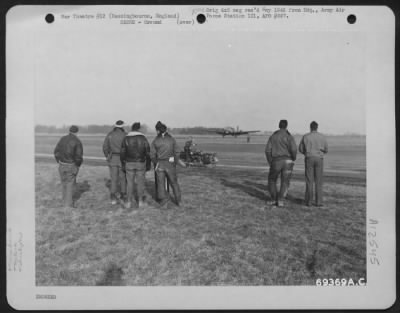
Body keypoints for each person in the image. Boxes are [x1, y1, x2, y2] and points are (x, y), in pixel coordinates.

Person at [150, 121, 184, 208]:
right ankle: (178, 201)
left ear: (158, 130)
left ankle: (163, 202)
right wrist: (174, 160)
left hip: (160, 164)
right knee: (174, 183)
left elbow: (152, 155)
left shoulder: (155, 141)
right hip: (170, 163)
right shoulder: (171, 139)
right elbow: (177, 151)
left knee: (160, 183)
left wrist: (156, 162)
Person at [265, 120, 297, 207]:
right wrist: (293, 158)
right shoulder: (289, 136)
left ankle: (273, 199)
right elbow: (294, 149)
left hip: (276, 160)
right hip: (288, 161)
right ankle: (281, 200)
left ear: (279, 125)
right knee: (285, 181)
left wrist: (270, 161)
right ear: (286, 126)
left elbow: (267, 150)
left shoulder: (273, 136)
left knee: (272, 180)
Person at [120, 122, 150, 209]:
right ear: (139, 129)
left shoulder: (126, 138)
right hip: (141, 163)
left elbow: (122, 152)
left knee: (129, 183)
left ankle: (128, 202)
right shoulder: (143, 138)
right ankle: (140, 201)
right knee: (140, 183)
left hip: (129, 163)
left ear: (131, 128)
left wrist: (123, 163)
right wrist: (148, 164)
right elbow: (147, 152)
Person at [299, 121, 328, 207]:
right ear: (317, 127)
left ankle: (309, 201)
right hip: (319, 158)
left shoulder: (306, 136)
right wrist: (320, 151)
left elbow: (300, 149)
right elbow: (326, 150)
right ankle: (319, 202)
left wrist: (306, 153)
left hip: (309, 158)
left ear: (310, 127)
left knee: (309, 180)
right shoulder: (322, 137)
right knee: (319, 181)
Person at [54, 125, 83, 208]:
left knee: (64, 183)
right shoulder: (77, 141)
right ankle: (68, 205)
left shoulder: (62, 139)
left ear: (69, 131)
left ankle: (64, 202)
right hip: (71, 165)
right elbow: (78, 156)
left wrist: (58, 161)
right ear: (77, 132)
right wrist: (77, 165)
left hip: (62, 165)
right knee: (70, 184)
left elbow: (56, 151)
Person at [103, 120, 127, 204]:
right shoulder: (125, 135)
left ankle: (113, 197)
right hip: (123, 159)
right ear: (123, 126)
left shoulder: (110, 134)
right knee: (123, 178)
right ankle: (123, 195)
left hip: (113, 158)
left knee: (113, 179)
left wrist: (108, 156)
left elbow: (105, 147)